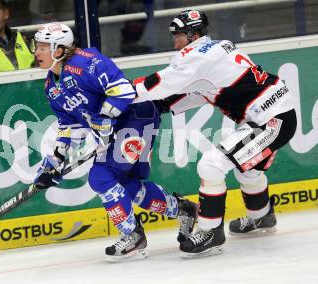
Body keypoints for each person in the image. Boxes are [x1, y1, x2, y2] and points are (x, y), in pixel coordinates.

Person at [133, 10, 297, 258]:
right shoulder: (215, 50)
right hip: (272, 115)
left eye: (178, 36)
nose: (174, 42)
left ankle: (211, 232)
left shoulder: (197, 57)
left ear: (194, 35)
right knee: (248, 169)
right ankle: (261, 217)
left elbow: (157, 84)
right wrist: (163, 105)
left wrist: (119, 93)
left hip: (271, 120)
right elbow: (201, 91)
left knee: (211, 165)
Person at [31, 22, 198, 262]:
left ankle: (133, 235)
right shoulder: (51, 86)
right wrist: (55, 161)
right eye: (37, 46)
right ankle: (183, 210)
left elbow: (122, 90)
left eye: (43, 47)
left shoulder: (87, 61)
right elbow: (69, 126)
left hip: (136, 116)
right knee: (125, 185)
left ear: (59, 49)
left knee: (100, 177)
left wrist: (106, 119)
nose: (37, 52)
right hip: (117, 126)